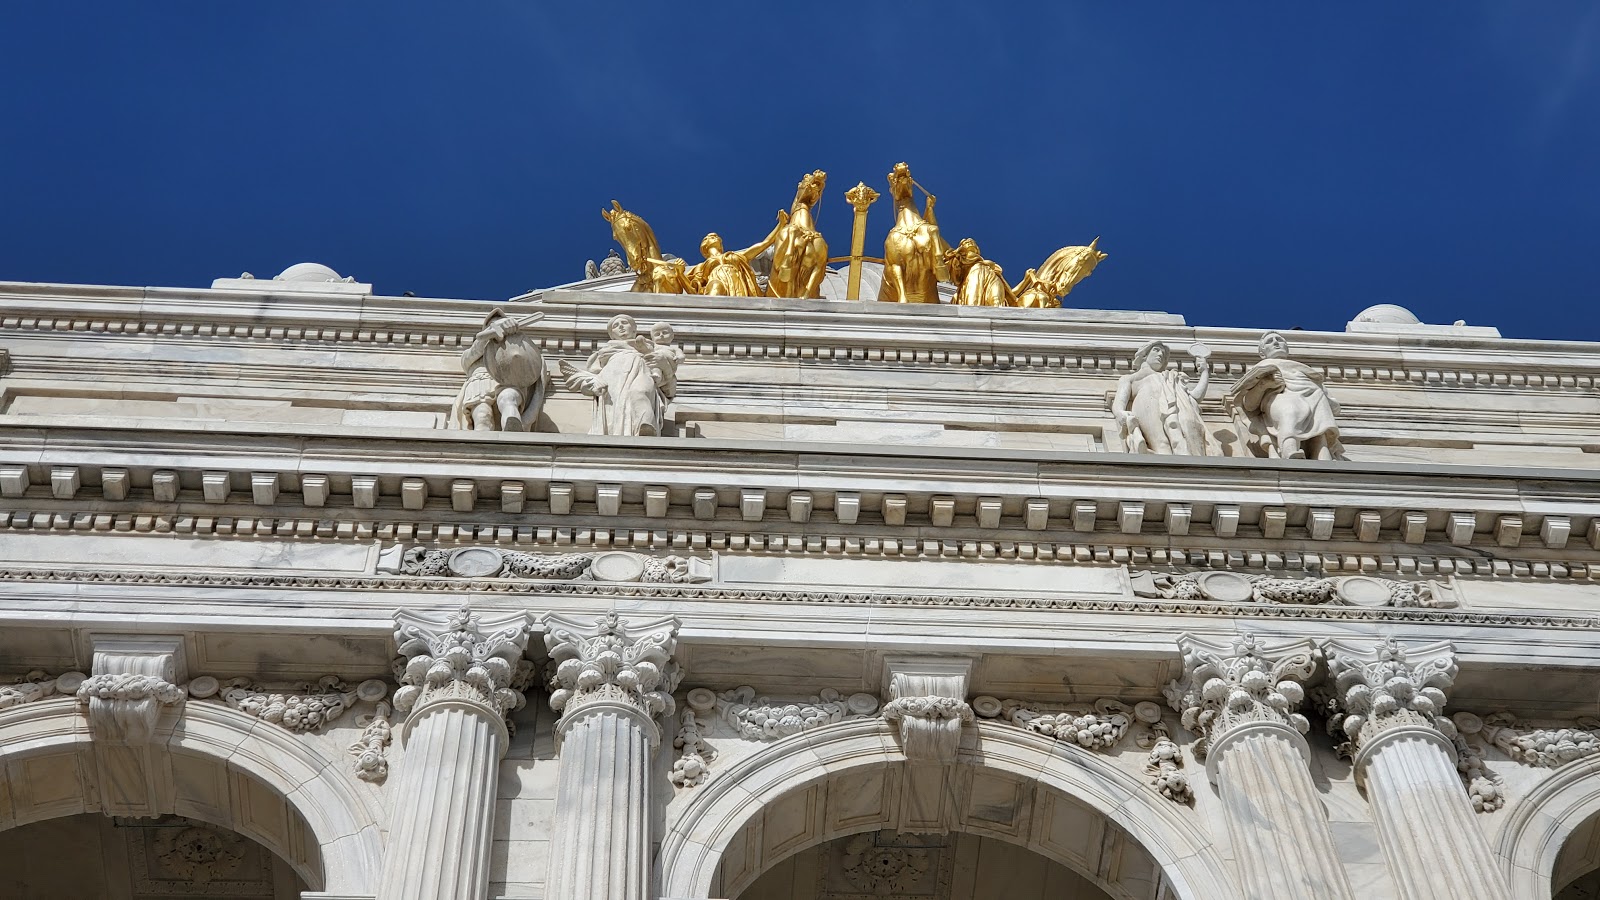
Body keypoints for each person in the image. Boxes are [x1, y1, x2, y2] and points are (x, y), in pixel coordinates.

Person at [1225, 331, 1346, 460]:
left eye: (1279, 340)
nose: (1276, 343)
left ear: (1287, 347)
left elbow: (1332, 404)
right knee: (1290, 410)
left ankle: (1322, 454)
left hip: (1313, 398)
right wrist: (1264, 385)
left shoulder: (1305, 371)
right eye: (1270, 341)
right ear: (1262, 353)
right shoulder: (1261, 368)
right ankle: (1289, 449)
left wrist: (1322, 397)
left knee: (1320, 418)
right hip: (1280, 398)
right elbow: (1249, 405)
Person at [561, 314, 666, 436]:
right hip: (612, 382)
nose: (621, 326)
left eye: (624, 323)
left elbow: (665, 375)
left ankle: (645, 426)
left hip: (641, 374)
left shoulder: (648, 348)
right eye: (616, 326)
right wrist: (592, 384)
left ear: (634, 329)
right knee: (615, 410)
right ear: (612, 335)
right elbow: (591, 377)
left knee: (640, 392)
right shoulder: (603, 353)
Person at [1110, 341, 1212, 455]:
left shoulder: (1170, 378)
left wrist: (1204, 372)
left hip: (1174, 411)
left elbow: (1194, 397)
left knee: (1186, 443)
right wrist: (1121, 413)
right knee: (1162, 446)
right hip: (1147, 407)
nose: (1160, 355)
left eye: (1163, 353)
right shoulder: (1130, 378)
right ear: (1144, 355)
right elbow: (1119, 404)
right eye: (1156, 350)